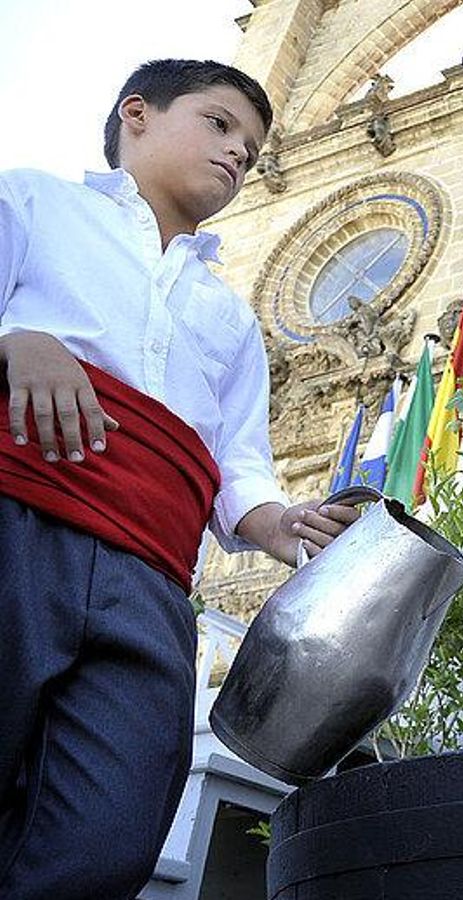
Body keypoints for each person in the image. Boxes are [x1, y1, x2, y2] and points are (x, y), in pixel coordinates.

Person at [0, 60, 358, 898]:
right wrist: (17, 341)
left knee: (108, 834)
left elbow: (237, 456)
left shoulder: (228, 315)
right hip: (20, 520)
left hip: (153, 581)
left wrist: (273, 520)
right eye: (220, 124)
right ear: (138, 114)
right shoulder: (32, 203)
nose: (239, 154)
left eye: (254, 150)